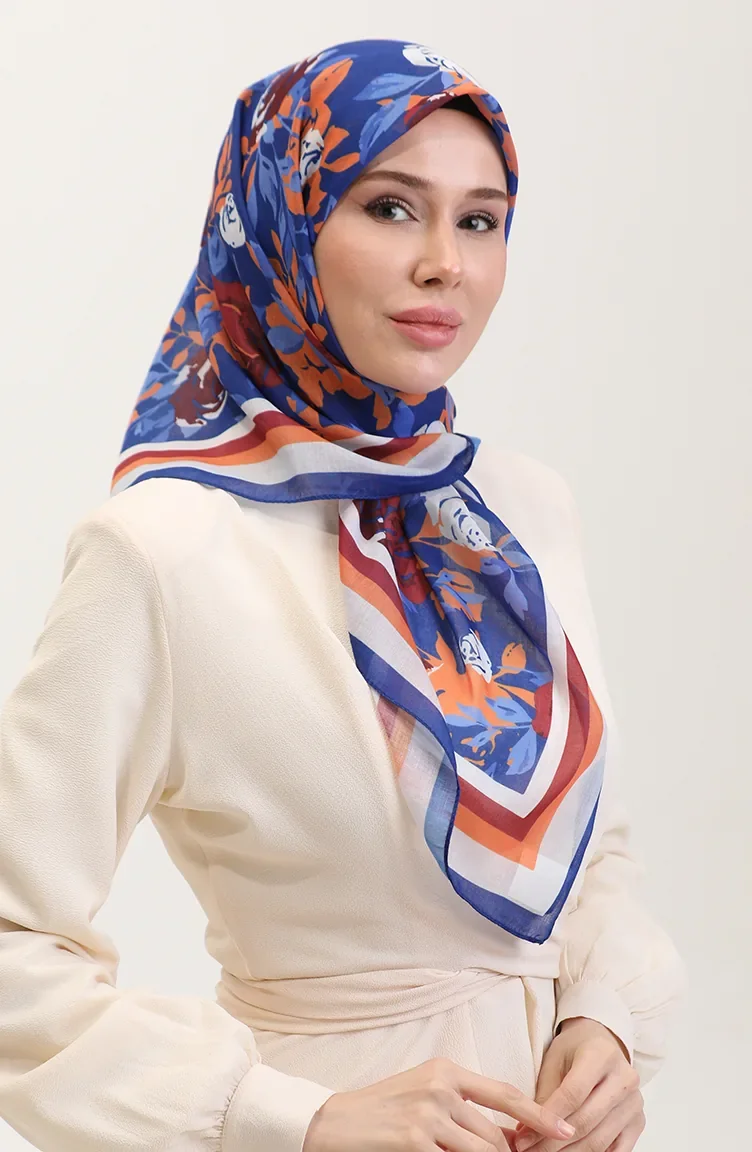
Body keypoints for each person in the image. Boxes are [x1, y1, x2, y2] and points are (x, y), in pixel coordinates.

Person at [0, 36, 686, 1152]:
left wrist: (604, 1016)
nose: (445, 264)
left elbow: (581, 843)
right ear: (283, 220)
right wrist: (295, 1117)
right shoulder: (163, 550)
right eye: (389, 207)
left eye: (480, 220)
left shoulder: (518, 512)